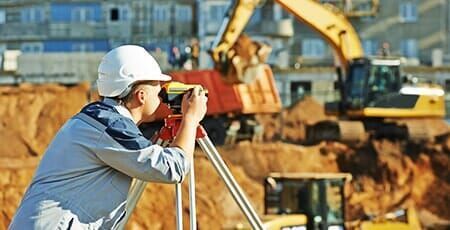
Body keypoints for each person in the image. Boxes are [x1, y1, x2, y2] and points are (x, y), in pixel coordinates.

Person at [9, 45, 208, 229]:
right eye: (158, 88)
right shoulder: (110, 127)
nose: (163, 96)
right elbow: (173, 169)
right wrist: (190, 119)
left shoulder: (99, 119)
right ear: (141, 95)